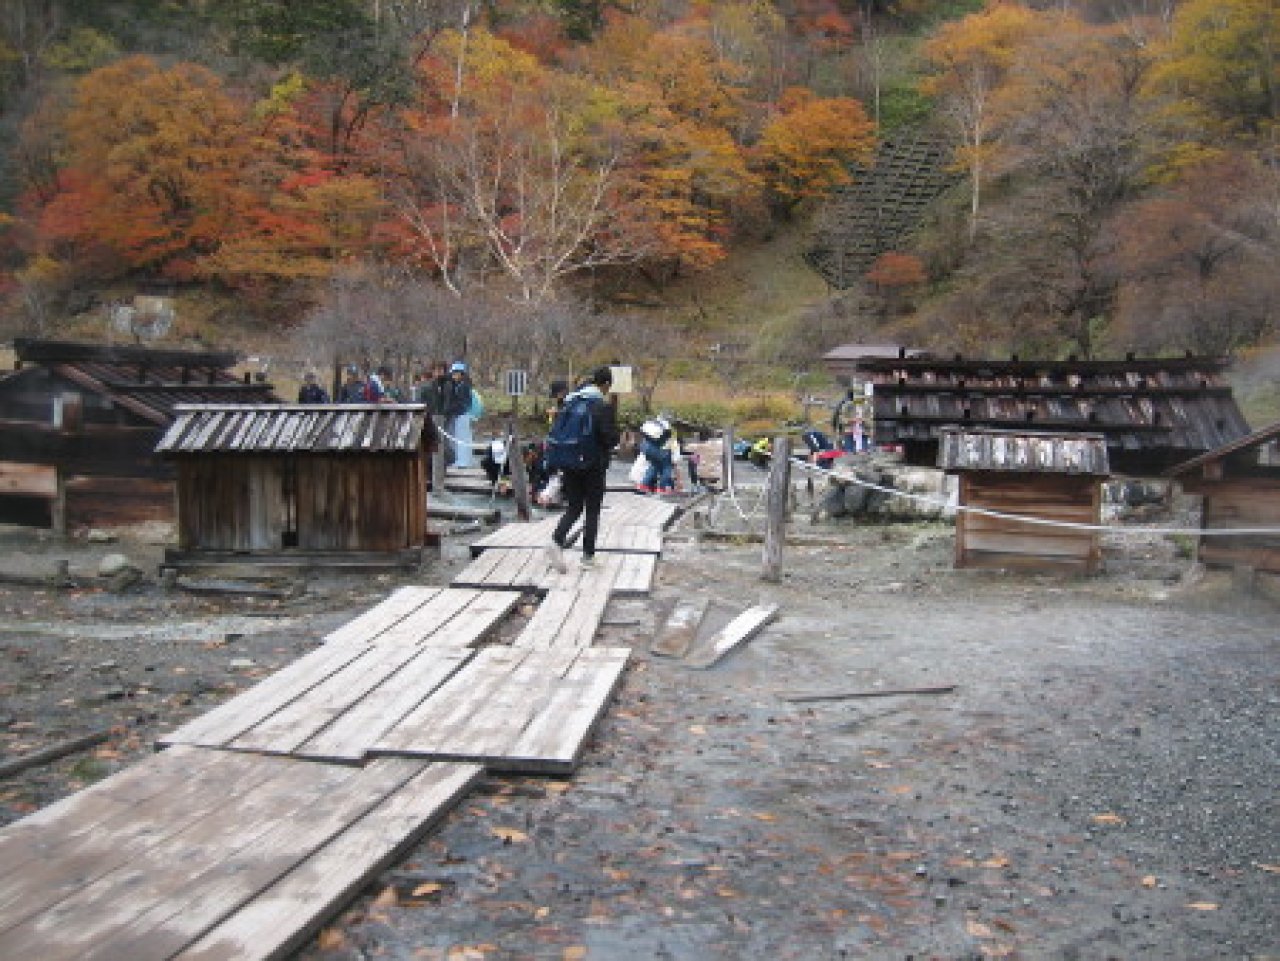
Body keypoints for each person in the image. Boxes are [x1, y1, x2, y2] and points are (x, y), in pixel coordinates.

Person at [546, 367, 619, 572]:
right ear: (605, 384)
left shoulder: (571, 401)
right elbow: (610, 439)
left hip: (569, 460)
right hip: (593, 464)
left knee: (574, 506)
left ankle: (556, 541)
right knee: (592, 510)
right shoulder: (601, 406)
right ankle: (588, 557)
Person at [442, 361, 475, 468]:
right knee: (456, 438)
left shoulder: (464, 386)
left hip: (462, 415)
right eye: (453, 373)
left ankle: (463, 461)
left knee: (462, 438)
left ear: (462, 374)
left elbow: (463, 402)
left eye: (456, 373)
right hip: (457, 415)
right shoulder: (457, 385)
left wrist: (451, 409)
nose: (454, 375)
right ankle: (458, 460)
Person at [638, 414, 676, 494]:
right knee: (667, 467)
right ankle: (662, 488)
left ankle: (644, 486)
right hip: (656, 449)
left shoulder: (651, 422)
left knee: (654, 466)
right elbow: (669, 442)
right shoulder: (667, 427)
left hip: (645, 447)